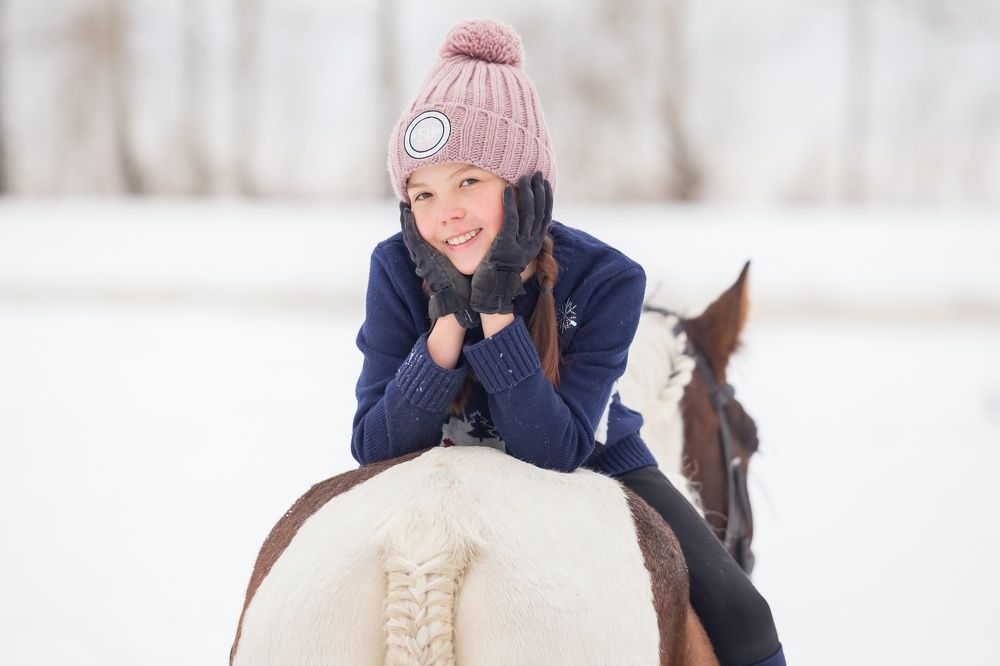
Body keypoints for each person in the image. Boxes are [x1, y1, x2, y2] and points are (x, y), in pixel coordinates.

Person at [351, 17, 785, 666]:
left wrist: (495, 312)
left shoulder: (609, 279)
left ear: (526, 186)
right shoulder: (395, 267)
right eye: (423, 193)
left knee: (745, 617)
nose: (447, 214)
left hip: (600, 459)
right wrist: (448, 317)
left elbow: (552, 450)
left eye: (469, 181)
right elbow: (376, 447)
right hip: (442, 464)